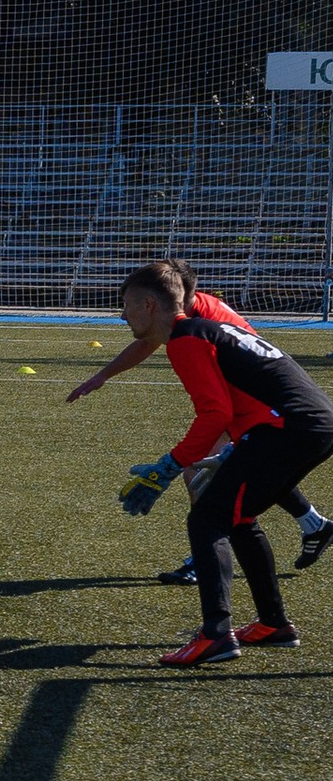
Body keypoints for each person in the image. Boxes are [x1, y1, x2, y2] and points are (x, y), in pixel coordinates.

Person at [114, 263, 333, 664]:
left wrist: (168, 467)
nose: (122, 314)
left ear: (149, 305)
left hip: (288, 429)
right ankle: (274, 624)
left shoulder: (186, 339)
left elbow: (213, 414)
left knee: (207, 519)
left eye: (126, 304)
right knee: (239, 519)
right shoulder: (201, 331)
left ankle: (216, 634)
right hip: (309, 424)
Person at [66, 262, 332, 582]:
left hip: (261, 407)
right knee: (247, 473)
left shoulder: (197, 324)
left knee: (202, 472)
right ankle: (312, 526)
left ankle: (206, 559)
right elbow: (148, 340)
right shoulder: (182, 313)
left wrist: (169, 465)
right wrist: (103, 375)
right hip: (267, 406)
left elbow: (220, 401)